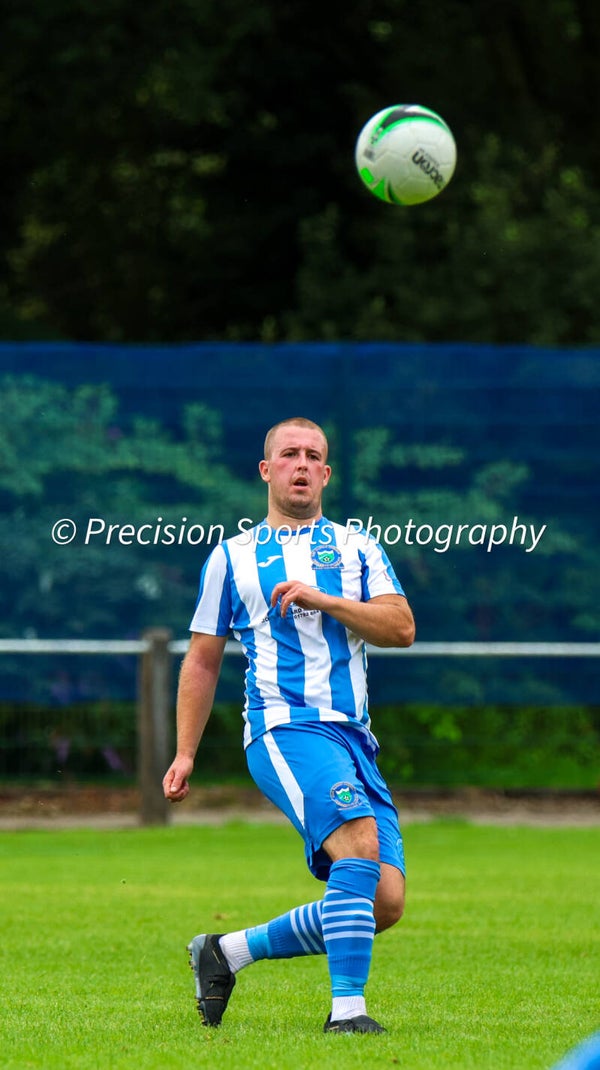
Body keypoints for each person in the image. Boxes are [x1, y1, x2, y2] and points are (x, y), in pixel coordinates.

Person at [162, 416, 416, 1035]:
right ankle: (348, 1014)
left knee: (381, 901)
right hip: (283, 728)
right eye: (289, 454)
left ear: (326, 474)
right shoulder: (232, 557)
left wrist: (326, 600)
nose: (301, 465)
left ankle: (227, 952)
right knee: (357, 842)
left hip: (354, 737)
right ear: (267, 469)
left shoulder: (358, 548)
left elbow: (401, 628)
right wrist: (184, 752)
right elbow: (202, 657)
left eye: (313, 456)